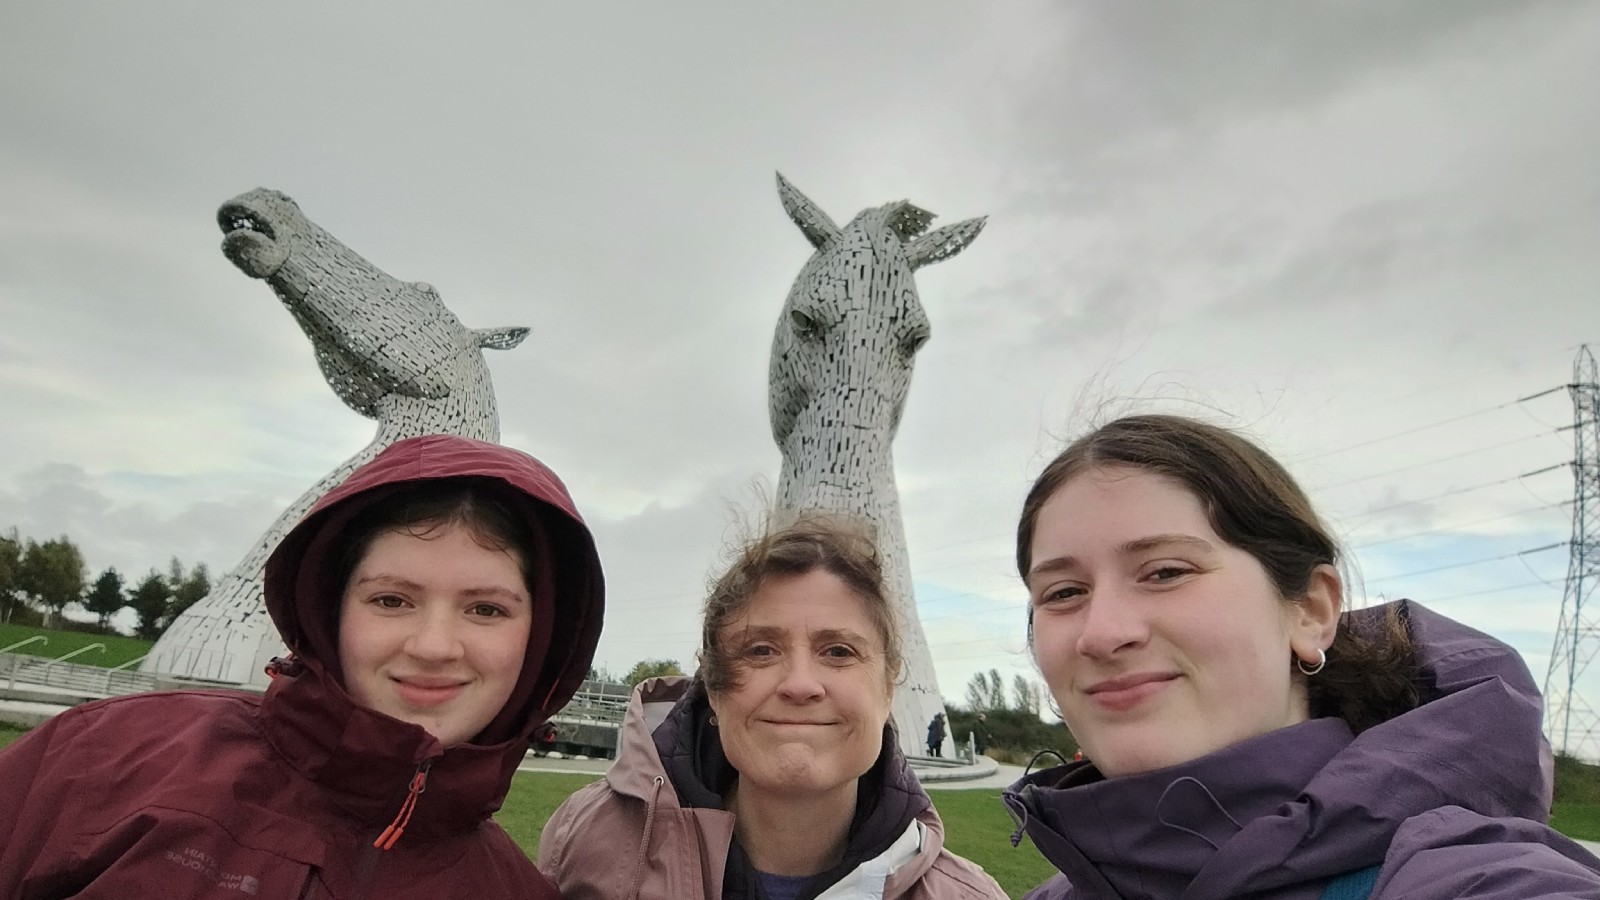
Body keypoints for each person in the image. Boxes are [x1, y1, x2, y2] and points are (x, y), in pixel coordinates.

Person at [1004, 414, 1600, 900]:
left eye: (1165, 572)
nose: (1102, 633)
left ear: (1310, 611)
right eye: (1063, 593)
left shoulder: (1473, 881)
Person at [0, 434, 604, 898]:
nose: (434, 645)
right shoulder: (97, 759)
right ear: (329, 608)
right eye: (391, 600)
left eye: (485, 609)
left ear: (542, 636)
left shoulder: (514, 890)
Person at [539, 514, 1006, 899]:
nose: (801, 684)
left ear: (888, 689)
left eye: (839, 651)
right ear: (714, 691)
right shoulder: (585, 841)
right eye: (761, 650)